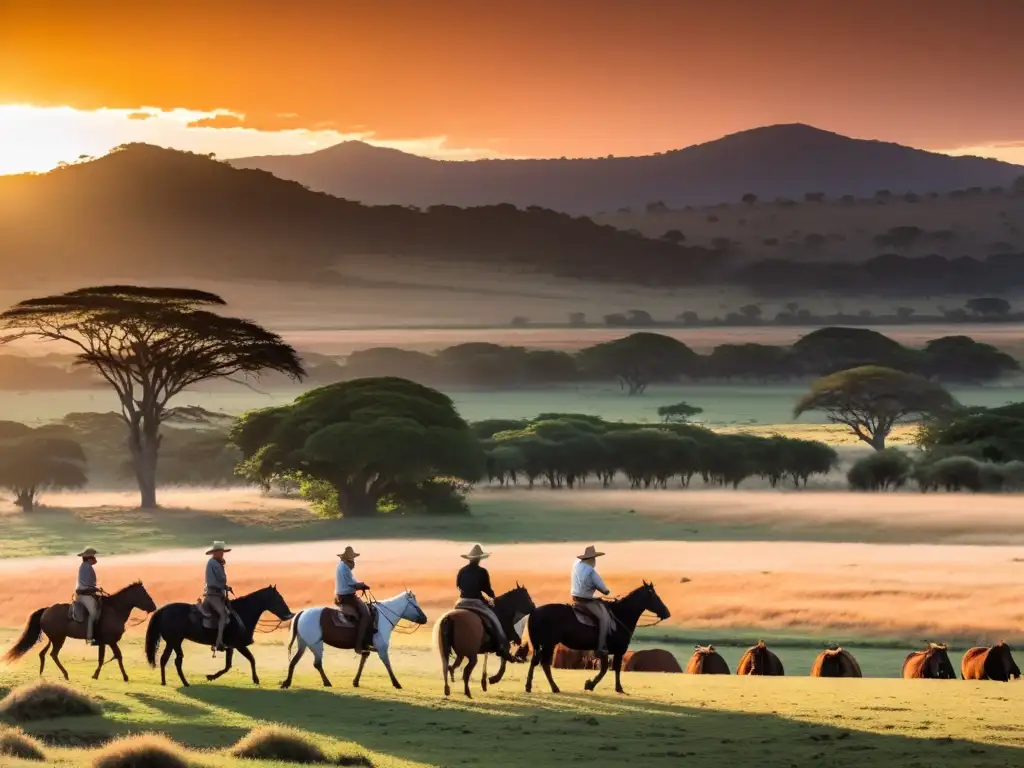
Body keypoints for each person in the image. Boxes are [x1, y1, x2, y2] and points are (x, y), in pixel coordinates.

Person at [455, 544, 515, 662]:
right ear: (479, 559)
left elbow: (458, 586)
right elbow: (486, 588)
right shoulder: (482, 571)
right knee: (494, 620)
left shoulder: (462, 571)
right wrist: (493, 597)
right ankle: (502, 646)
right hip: (476, 602)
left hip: (461, 602)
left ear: (469, 558)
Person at [571, 544, 612, 658]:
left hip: (575, 598)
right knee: (604, 618)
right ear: (591, 559)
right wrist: (607, 591)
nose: (595, 561)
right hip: (586, 602)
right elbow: (604, 590)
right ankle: (600, 648)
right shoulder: (591, 572)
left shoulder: (576, 565)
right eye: (594, 559)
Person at [335, 546, 374, 654]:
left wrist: (359, 584)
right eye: (352, 560)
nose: (353, 562)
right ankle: (359, 646)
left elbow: (352, 581)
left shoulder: (342, 566)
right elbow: (350, 584)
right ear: (348, 559)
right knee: (365, 615)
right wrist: (361, 586)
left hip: (344, 594)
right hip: (347, 596)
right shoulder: (344, 568)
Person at [203, 541, 232, 652]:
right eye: (221, 552)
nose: (222, 554)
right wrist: (223, 586)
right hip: (213, 594)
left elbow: (219, 581)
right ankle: (219, 642)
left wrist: (225, 587)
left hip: (218, 593)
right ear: (215, 552)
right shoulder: (213, 563)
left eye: (223, 552)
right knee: (223, 614)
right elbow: (214, 581)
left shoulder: (216, 563)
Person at [75, 547, 102, 646]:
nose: (95, 559)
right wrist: (95, 589)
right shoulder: (86, 567)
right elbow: (87, 585)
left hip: (87, 593)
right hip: (84, 595)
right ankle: (90, 637)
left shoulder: (87, 566)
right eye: (93, 557)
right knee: (93, 613)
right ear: (89, 558)